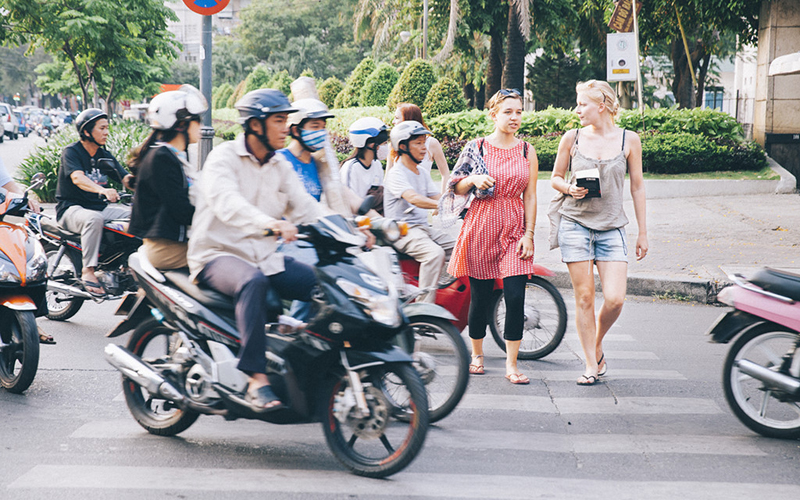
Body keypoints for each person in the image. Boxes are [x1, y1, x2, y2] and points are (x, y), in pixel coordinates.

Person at [187, 89, 326, 412]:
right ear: (254, 125)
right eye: (278, 120)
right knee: (253, 283)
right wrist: (271, 224)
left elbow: (306, 207)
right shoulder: (223, 158)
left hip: (264, 257)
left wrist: (352, 229)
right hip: (217, 255)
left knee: (323, 284)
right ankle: (256, 380)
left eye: (286, 121)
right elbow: (228, 204)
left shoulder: (279, 165)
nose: (286, 128)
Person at [550, 80, 648, 386]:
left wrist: (643, 232)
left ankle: (596, 342)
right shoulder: (572, 138)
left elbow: (637, 186)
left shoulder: (629, 140)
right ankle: (591, 365)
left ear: (601, 106)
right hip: (575, 224)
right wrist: (569, 188)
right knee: (585, 298)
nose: (577, 109)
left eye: (582, 104)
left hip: (611, 227)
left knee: (616, 299)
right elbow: (555, 177)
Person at [445, 89, 538, 385]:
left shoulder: (527, 151)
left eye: (519, 112)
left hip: (514, 229)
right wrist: (473, 180)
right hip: (481, 226)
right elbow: (455, 185)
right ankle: (477, 354)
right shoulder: (478, 147)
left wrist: (530, 234)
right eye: (508, 112)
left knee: (515, 296)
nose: (515, 117)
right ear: (493, 114)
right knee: (481, 298)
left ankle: (512, 364)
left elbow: (531, 196)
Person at [55, 108, 133, 297]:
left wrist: (149, 188)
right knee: (94, 218)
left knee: (138, 215)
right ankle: (88, 270)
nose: (106, 132)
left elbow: (126, 178)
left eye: (107, 128)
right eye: (102, 128)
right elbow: (78, 178)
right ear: (87, 131)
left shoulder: (103, 155)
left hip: (99, 208)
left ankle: (126, 266)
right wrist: (102, 190)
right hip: (71, 209)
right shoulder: (72, 152)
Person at [128, 85, 207, 269]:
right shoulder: (162, 158)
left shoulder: (172, 155)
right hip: (166, 248)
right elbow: (180, 209)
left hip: (175, 243)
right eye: (197, 120)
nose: (201, 126)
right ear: (181, 124)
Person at [384, 120, 455, 304]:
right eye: (418, 143)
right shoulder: (396, 173)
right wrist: (440, 206)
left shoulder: (421, 172)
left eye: (424, 142)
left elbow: (437, 196)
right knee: (434, 254)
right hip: (402, 231)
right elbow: (414, 198)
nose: (424, 148)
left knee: (462, 246)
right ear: (402, 146)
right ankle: (424, 312)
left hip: (422, 229)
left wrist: (461, 202)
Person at [386, 103, 450, 192]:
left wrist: (443, 200)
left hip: (423, 198)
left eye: (397, 118)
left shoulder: (431, 143)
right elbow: (388, 176)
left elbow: (445, 173)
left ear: (408, 120)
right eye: (418, 143)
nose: (393, 122)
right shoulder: (393, 145)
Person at [339, 117, 390, 214]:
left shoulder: (376, 164)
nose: (386, 147)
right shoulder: (351, 168)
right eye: (383, 143)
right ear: (371, 144)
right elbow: (349, 204)